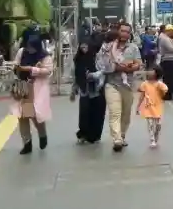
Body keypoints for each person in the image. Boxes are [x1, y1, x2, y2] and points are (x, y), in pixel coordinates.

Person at [97, 21, 142, 152]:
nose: (124, 34)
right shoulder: (108, 47)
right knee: (114, 112)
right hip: (112, 84)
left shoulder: (133, 48)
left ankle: (122, 135)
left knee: (126, 114)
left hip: (128, 85)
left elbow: (138, 63)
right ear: (118, 31)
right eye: (122, 31)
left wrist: (131, 67)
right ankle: (116, 139)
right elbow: (101, 64)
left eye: (127, 32)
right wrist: (115, 66)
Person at [11, 25, 54, 155]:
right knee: (23, 116)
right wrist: (17, 68)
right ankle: (27, 142)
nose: (30, 48)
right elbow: (15, 64)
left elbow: (48, 71)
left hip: (37, 89)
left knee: (35, 115)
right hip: (23, 87)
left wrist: (32, 69)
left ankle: (42, 134)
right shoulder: (21, 52)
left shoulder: (45, 56)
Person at [71, 36, 106, 144]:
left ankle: (95, 135)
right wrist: (74, 89)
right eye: (82, 47)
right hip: (84, 90)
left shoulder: (97, 57)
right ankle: (83, 133)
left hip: (97, 89)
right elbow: (76, 75)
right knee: (84, 113)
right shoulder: (78, 59)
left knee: (97, 113)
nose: (84, 49)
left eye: (86, 47)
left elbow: (103, 70)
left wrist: (93, 75)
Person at [136, 66, 168, 148]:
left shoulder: (159, 84)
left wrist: (162, 90)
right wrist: (138, 106)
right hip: (148, 107)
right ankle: (152, 139)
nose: (150, 72)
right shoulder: (144, 84)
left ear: (157, 73)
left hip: (157, 107)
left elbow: (165, 91)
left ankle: (155, 136)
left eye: (152, 71)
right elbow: (141, 96)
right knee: (150, 124)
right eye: (149, 71)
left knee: (158, 125)